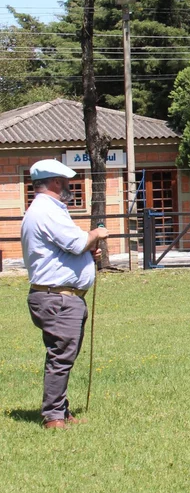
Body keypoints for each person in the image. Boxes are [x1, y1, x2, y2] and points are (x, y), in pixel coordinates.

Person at [20, 159, 108, 430]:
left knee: (62, 355)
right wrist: (96, 233)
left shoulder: (44, 209)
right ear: (56, 182)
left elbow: (64, 249)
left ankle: (60, 409)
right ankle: (54, 417)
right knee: (61, 357)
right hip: (58, 299)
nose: (70, 186)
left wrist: (87, 253)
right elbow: (76, 242)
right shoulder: (47, 210)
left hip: (58, 297)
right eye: (67, 181)